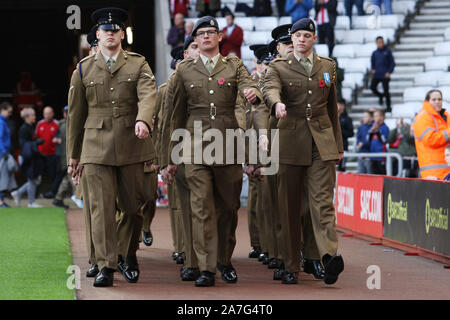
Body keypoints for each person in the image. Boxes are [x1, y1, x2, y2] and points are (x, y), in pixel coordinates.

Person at [167, 16, 265, 287]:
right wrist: (171, 155)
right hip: (194, 146)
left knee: (229, 207)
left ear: (220, 37)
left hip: (227, 144)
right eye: (202, 33)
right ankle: (207, 268)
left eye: (212, 32)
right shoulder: (185, 70)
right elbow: (175, 115)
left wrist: (252, 92)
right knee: (201, 206)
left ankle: (223, 259)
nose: (207, 36)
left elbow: (249, 84)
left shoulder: (233, 66)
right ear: (195, 39)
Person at [67, 7, 157, 287]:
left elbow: (148, 95)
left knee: (132, 209)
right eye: (105, 31)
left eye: (115, 30)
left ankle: (127, 255)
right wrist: (73, 155)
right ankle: (106, 266)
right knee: (101, 210)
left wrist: (144, 120)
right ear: (97, 34)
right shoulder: (83, 68)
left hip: (132, 144)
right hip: (95, 147)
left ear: (122, 34)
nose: (110, 34)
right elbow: (76, 117)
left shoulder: (138, 64)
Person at [264, 17, 345, 285]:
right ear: (292, 39)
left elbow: (332, 108)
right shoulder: (278, 66)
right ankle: (290, 264)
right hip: (289, 140)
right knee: (290, 207)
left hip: (321, 142)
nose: (301, 39)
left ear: (314, 39)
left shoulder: (328, 67)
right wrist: (277, 104)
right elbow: (270, 90)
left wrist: (338, 146)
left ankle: (327, 256)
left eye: (306, 36)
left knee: (322, 202)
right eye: (297, 35)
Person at [412, 90, 450, 180]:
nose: (437, 102)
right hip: (433, 173)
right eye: (434, 99)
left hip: (446, 171)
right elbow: (431, 140)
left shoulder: (445, 116)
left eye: (439, 99)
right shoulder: (423, 118)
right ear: (427, 101)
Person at [11, 108, 44, 208]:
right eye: (32, 115)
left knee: (35, 180)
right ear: (27, 117)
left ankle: (18, 193)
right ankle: (31, 202)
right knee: (32, 180)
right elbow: (23, 144)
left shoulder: (30, 127)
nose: (34, 117)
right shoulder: (24, 128)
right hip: (26, 157)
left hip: (31, 157)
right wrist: (36, 142)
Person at [35, 106, 59, 198]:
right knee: (38, 174)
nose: (47, 115)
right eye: (45, 113)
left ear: (52, 114)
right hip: (41, 154)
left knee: (53, 174)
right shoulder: (39, 124)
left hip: (52, 154)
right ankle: (35, 193)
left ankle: (53, 193)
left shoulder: (57, 124)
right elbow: (35, 137)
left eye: (49, 113)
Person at [370, 37, 395, 113]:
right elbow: (372, 62)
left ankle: (388, 107)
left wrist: (389, 72)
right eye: (378, 42)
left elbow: (392, 63)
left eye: (381, 42)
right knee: (372, 87)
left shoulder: (387, 52)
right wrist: (373, 69)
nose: (380, 44)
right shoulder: (375, 53)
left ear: (383, 42)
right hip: (377, 74)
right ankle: (381, 95)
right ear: (376, 43)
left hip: (385, 75)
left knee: (386, 91)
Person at [0, 103, 16, 208]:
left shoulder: (4, 121)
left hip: (3, 152)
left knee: (5, 177)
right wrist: (3, 151)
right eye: (9, 111)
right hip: (2, 153)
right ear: (3, 110)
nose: (10, 114)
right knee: (2, 177)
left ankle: (1, 200)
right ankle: (0, 202)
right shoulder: (1, 122)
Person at [367, 109, 389, 174]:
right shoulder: (372, 126)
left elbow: (384, 140)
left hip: (381, 156)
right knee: (373, 175)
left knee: (381, 174)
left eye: (376, 116)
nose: (374, 118)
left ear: (382, 117)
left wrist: (377, 131)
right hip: (373, 156)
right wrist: (371, 132)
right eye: (374, 116)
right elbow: (368, 140)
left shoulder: (385, 127)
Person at [337, 99, 354, 172]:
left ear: (342, 106)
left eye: (338, 104)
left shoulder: (347, 119)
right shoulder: (331, 117)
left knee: (341, 168)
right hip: (331, 147)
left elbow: (351, 133)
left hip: (343, 147)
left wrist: (340, 130)